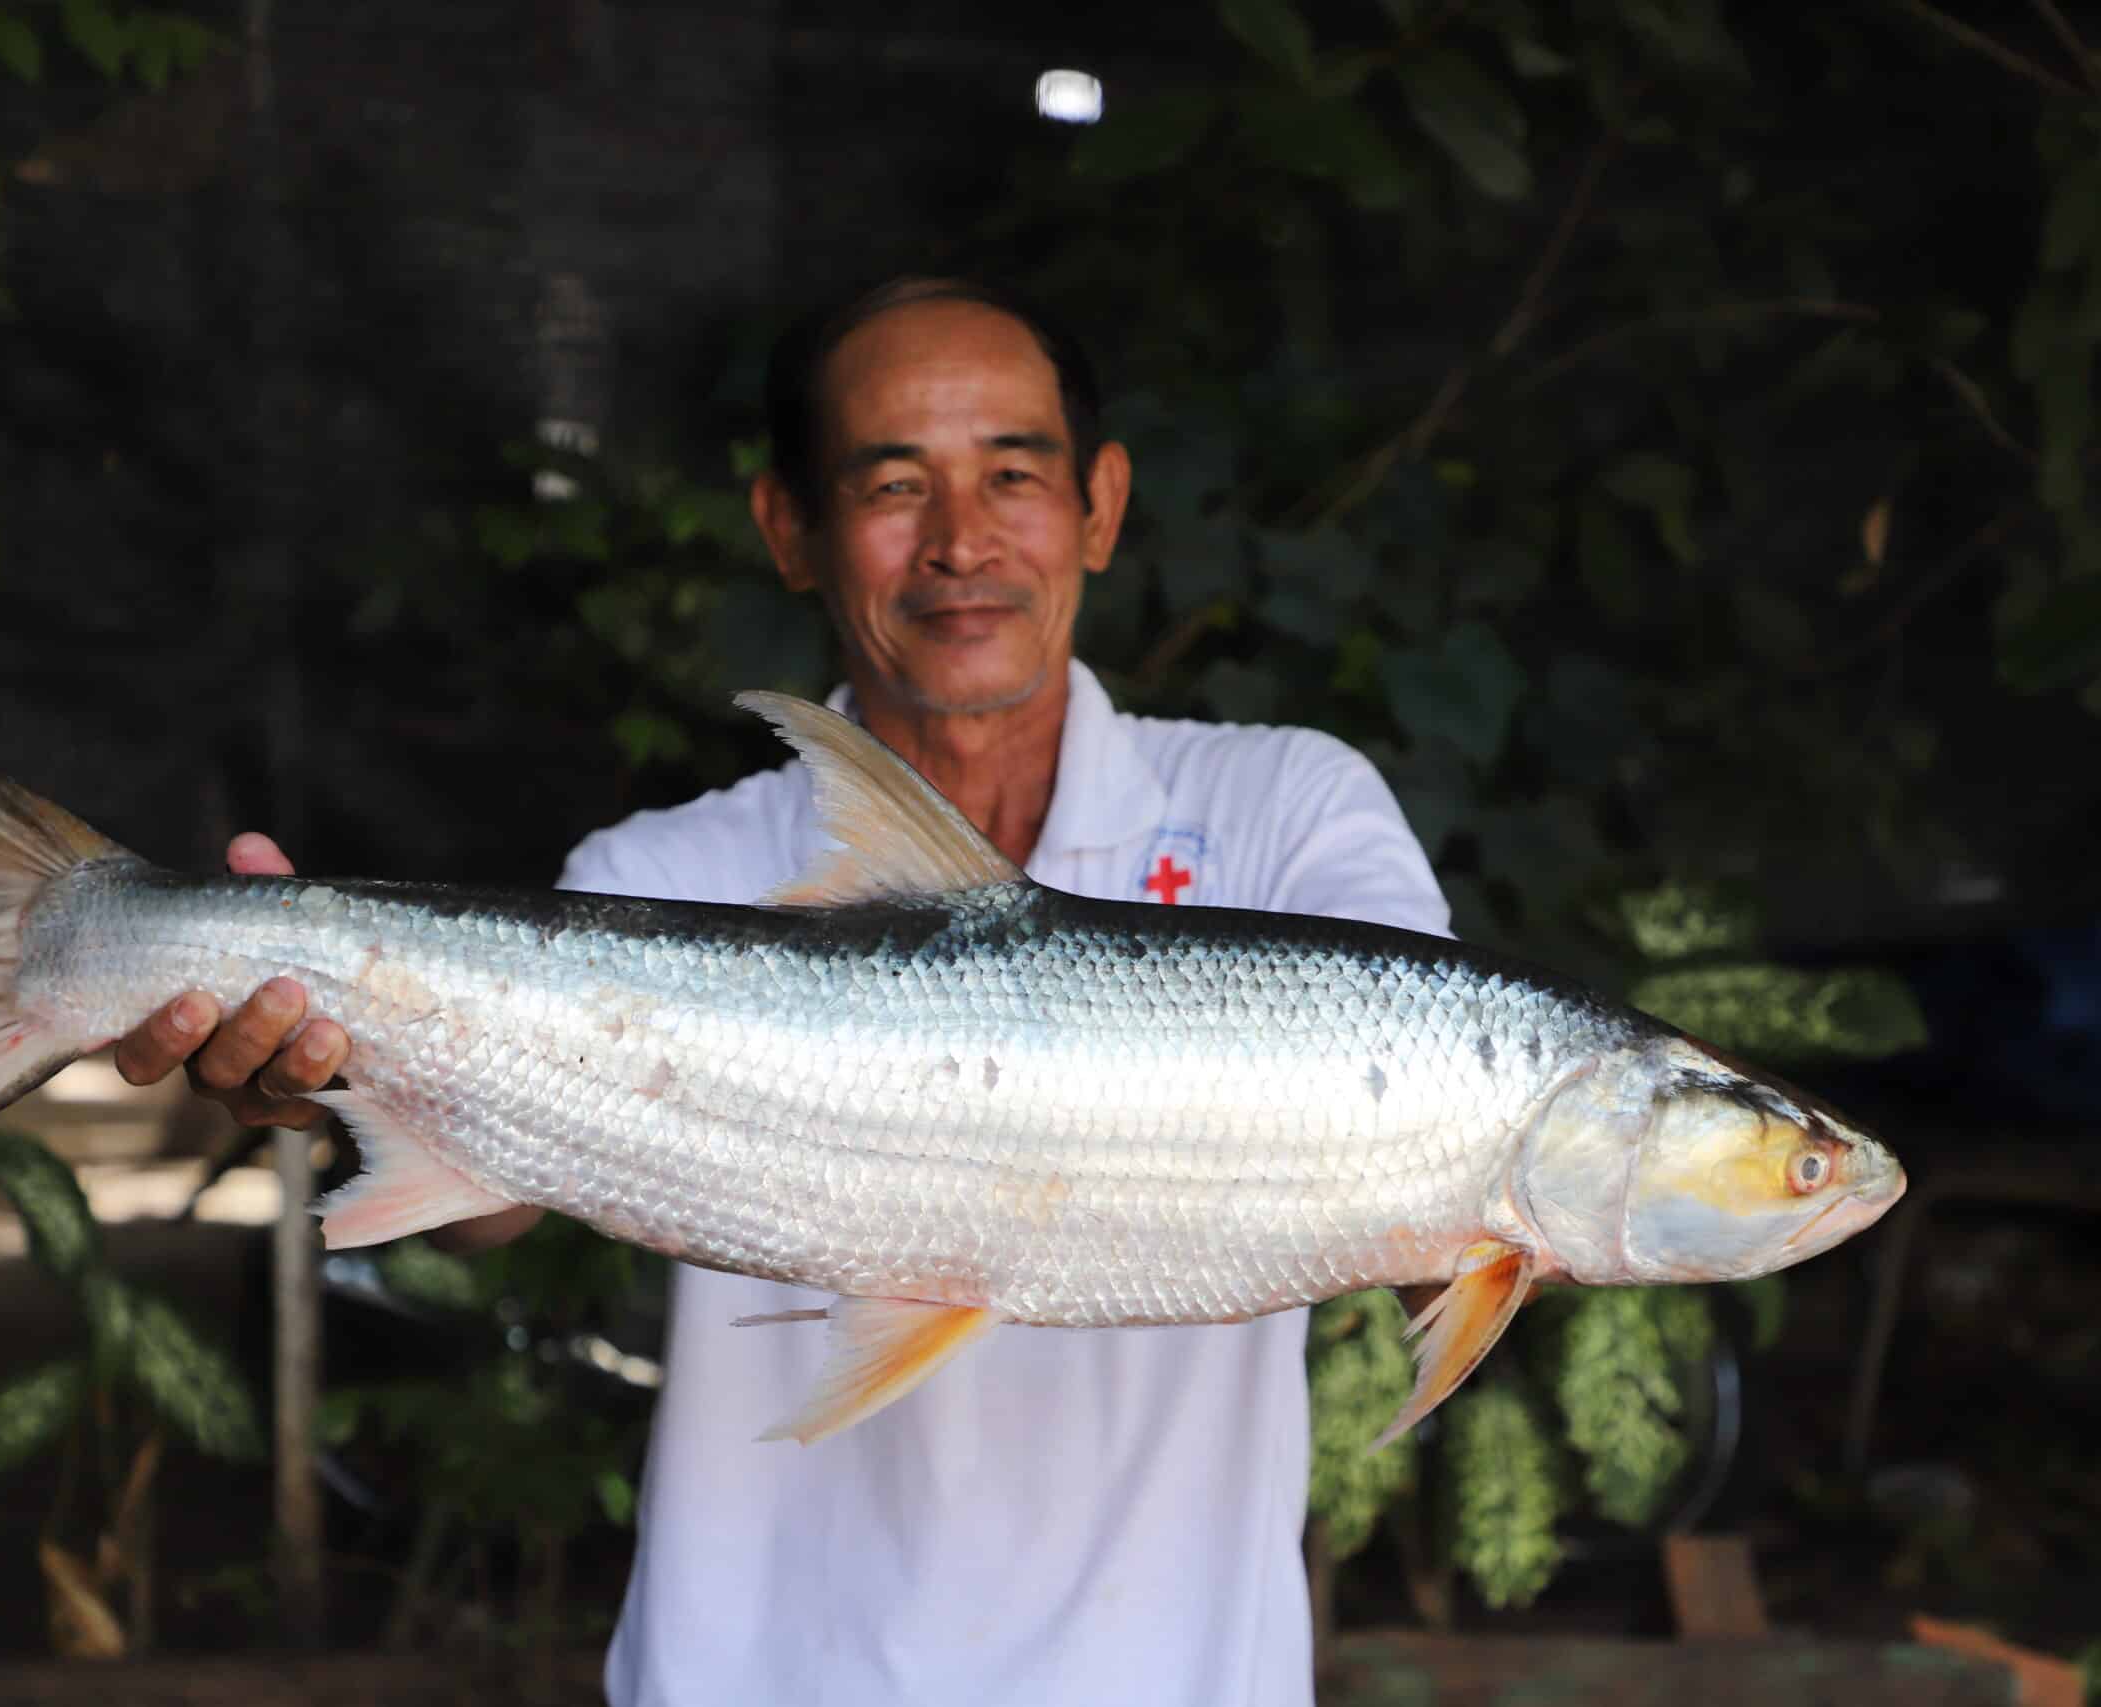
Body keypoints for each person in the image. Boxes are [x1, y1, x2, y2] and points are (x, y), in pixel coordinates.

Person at [112, 276, 1450, 1705]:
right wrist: (339, 1063)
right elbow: (498, 1195)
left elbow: (1435, 1162)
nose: (961, 540)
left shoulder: (1291, 813)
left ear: (1101, 507)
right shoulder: (662, 869)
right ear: (788, 530)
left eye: (1014, 474)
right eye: (893, 485)